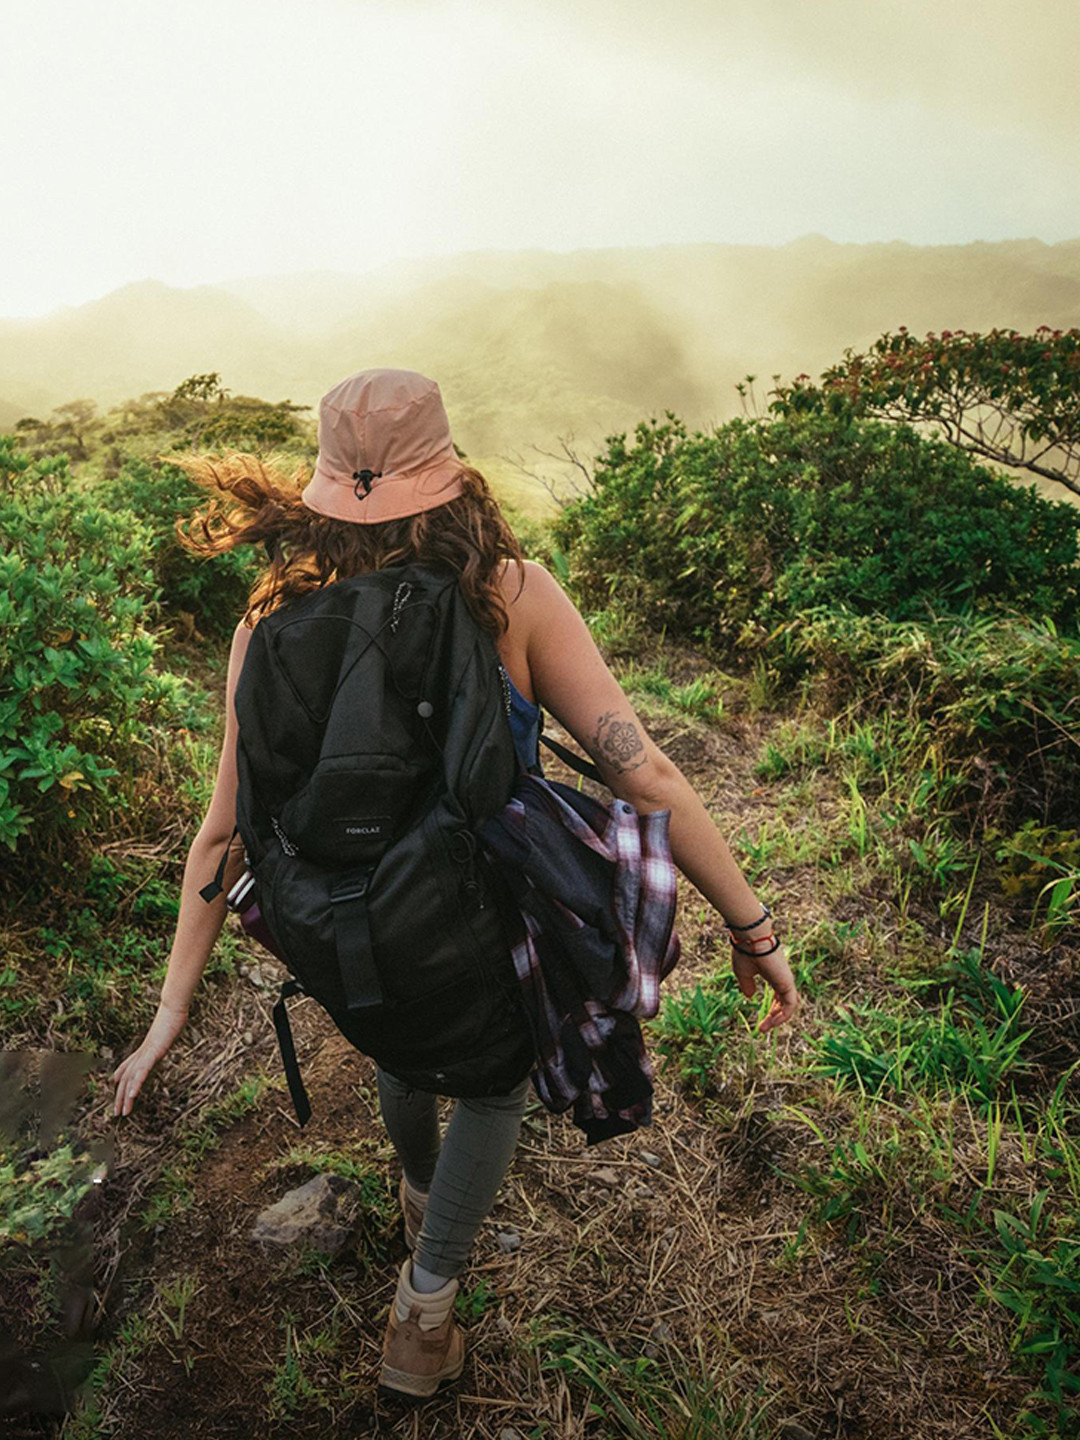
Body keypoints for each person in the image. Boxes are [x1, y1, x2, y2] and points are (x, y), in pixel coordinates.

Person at [110, 367, 800, 1401]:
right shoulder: (508, 594)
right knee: (490, 1079)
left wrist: (170, 1011)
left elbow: (222, 837)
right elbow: (644, 772)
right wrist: (753, 929)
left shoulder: (267, 623)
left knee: (402, 1041)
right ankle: (424, 1312)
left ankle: (421, 1190)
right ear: (448, 472)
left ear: (325, 484)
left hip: (346, 932)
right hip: (479, 913)